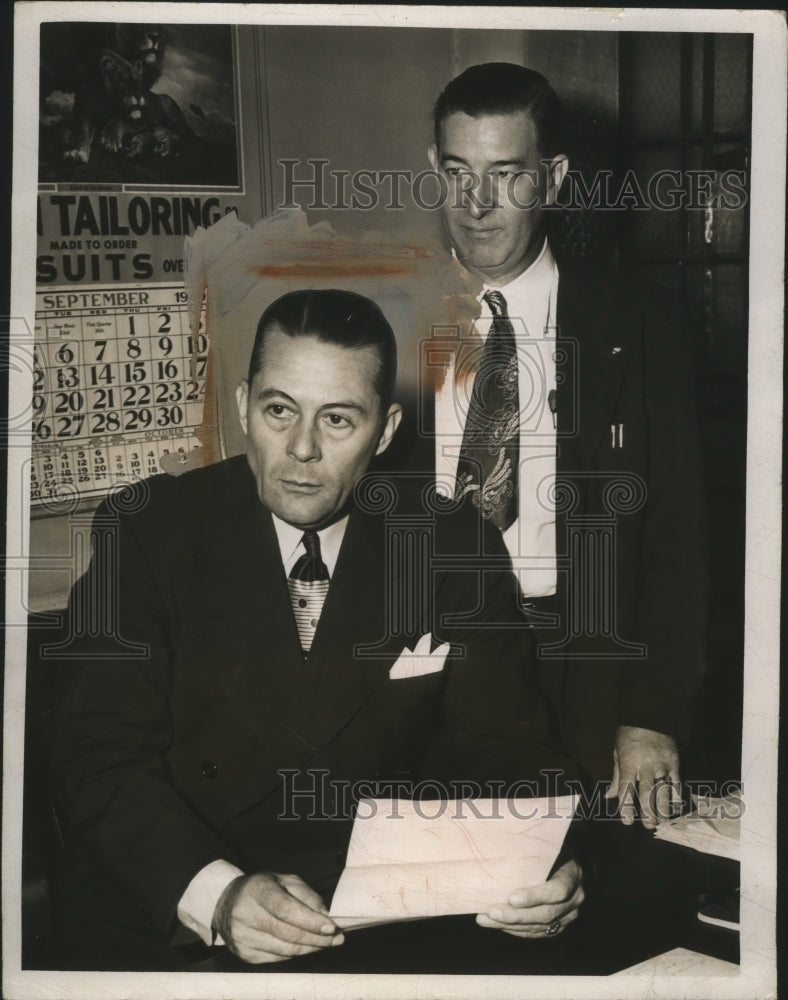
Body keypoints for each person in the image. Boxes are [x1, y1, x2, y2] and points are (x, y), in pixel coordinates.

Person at [51, 288, 583, 972]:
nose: (301, 449)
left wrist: (543, 854)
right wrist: (217, 895)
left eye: (338, 419)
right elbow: (98, 757)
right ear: (245, 404)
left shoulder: (450, 541)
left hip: (375, 919)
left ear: (385, 431)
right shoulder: (149, 532)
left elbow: (509, 745)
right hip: (176, 911)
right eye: (280, 411)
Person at [414, 63, 705, 825]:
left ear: (553, 178)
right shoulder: (385, 318)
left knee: (588, 893)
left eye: (506, 174)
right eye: (458, 172)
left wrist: (652, 712)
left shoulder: (640, 321)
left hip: (586, 670)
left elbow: (680, 538)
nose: (476, 205)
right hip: (426, 668)